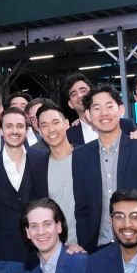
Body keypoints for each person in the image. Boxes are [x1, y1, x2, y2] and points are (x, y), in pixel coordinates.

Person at [70, 87, 137, 254]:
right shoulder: (80, 156)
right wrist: (86, 246)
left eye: (109, 106)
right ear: (88, 115)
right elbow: (82, 209)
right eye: (97, 108)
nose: (104, 113)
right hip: (99, 249)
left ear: (121, 109)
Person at [0, 105, 45, 267]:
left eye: (20, 126)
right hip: (5, 251)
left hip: (41, 246)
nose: (15, 131)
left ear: (27, 131)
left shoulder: (41, 160)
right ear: (0, 130)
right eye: (9, 126)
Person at [32, 101, 83, 251]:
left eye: (56, 122)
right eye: (44, 125)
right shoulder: (38, 167)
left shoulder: (86, 156)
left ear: (66, 123)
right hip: (56, 249)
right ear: (39, 131)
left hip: (89, 246)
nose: (51, 129)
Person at [61, 76, 96, 146]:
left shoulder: (122, 125)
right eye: (74, 94)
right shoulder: (67, 137)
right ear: (70, 104)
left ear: (94, 94)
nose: (80, 95)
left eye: (83, 91)